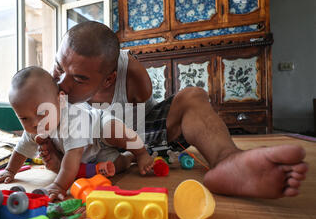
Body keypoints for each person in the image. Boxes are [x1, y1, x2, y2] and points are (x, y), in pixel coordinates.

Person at [38, 21, 308, 199]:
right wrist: (55, 156)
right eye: (59, 67)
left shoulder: (130, 74)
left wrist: (134, 149)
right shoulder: (52, 91)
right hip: (96, 150)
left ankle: (230, 162)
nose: (62, 83)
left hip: (138, 129)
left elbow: (142, 119)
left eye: (80, 79)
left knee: (193, 96)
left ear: (108, 78)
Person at [0, 66, 155, 200]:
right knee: (113, 168)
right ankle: (127, 158)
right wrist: (10, 171)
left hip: (99, 131)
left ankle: (139, 152)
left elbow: (72, 157)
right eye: (24, 118)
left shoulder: (72, 118)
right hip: (91, 154)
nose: (34, 123)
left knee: (115, 130)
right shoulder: (34, 126)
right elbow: (21, 149)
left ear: (60, 100)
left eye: (41, 113)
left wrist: (59, 186)